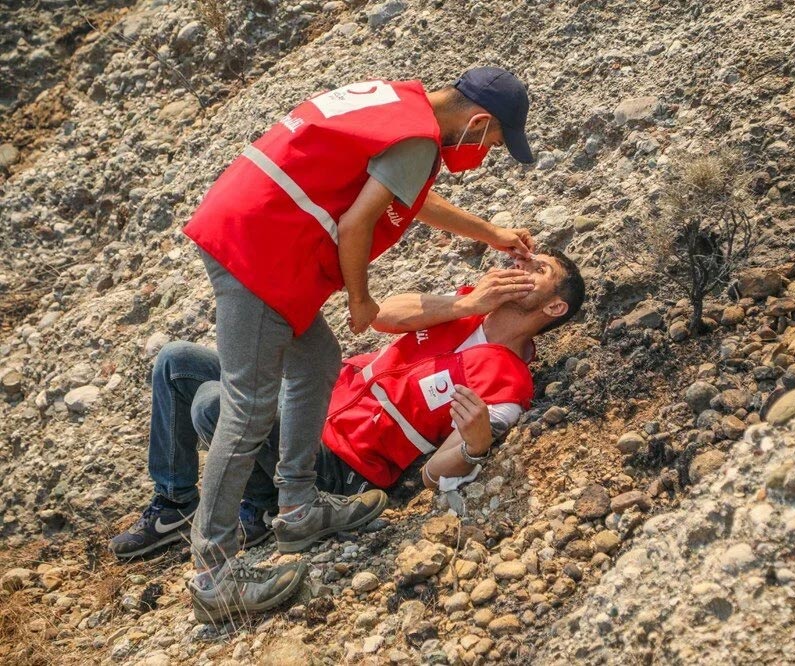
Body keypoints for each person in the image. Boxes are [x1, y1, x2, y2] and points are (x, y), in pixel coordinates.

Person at [178, 66, 538, 621]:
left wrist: (490, 233)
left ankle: (297, 507)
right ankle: (213, 573)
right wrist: (359, 300)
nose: (486, 151)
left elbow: (403, 195)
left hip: (253, 223)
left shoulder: (400, 105)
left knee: (318, 361)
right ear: (480, 121)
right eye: (492, 140)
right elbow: (356, 225)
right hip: (259, 250)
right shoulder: (419, 138)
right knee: (247, 408)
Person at [110, 252, 584, 565]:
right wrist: (468, 305)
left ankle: (258, 508)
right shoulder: (466, 306)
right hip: (307, 400)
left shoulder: (510, 380)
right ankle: (173, 505)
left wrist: (477, 444)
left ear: (554, 308)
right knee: (176, 362)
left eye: (538, 269)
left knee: (213, 406)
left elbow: (436, 473)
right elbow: (380, 315)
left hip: (340, 462)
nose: (520, 263)